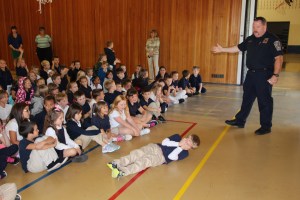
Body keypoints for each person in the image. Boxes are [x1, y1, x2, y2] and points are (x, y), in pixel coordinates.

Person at [212, 17, 283, 135]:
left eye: (258, 27)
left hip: (264, 75)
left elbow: (279, 58)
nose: (255, 29)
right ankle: (240, 120)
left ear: (265, 26)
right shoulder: (250, 39)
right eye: (253, 27)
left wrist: (275, 75)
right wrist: (222, 49)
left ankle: (266, 127)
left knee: (264, 102)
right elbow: (238, 48)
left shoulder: (273, 40)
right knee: (247, 99)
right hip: (251, 74)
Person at [107, 133, 200, 178]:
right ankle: (117, 163)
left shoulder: (184, 153)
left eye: (188, 145)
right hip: (156, 146)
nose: (186, 144)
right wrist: (178, 143)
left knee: (144, 162)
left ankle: (123, 172)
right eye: (187, 140)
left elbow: (171, 157)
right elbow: (164, 142)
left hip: (161, 158)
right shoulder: (177, 137)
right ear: (186, 137)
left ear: (190, 148)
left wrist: (180, 147)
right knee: (137, 153)